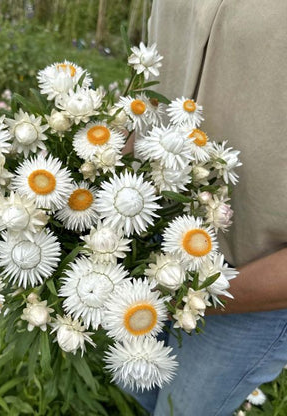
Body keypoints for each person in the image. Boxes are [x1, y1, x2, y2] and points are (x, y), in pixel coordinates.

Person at [127, 1, 287, 415]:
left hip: (254, 285)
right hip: (144, 244)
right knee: (139, 387)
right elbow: (154, 60)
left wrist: (204, 294)